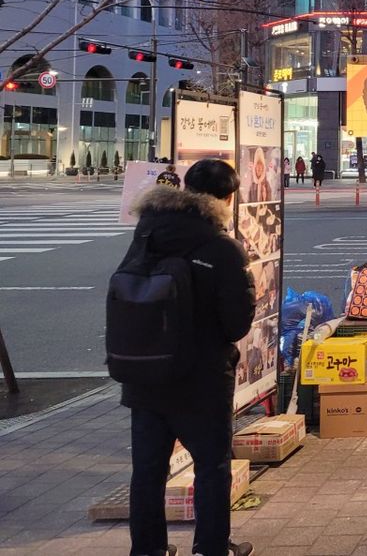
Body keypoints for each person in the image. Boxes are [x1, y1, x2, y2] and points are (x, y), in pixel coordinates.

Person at [120, 159, 256, 556]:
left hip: (145, 374)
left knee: (147, 471)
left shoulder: (147, 234)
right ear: (228, 198)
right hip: (201, 378)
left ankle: (148, 550)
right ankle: (211, 548)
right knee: (211, 467)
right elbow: (236, 324)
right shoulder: (222, 248)